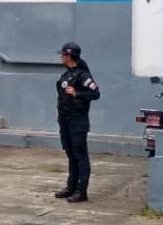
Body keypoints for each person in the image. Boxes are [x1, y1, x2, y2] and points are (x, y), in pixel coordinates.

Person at [55, 42, 100, 203]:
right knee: (70, 154)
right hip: (65, 120)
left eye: (62, 55)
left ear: (69, 56)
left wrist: (77, 93)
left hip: (78, 121)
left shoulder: (83, 75)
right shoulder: (66, 75)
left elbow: (95, 94)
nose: (61, 57)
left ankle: (82, 191)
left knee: (80, 155)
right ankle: (71, 186)